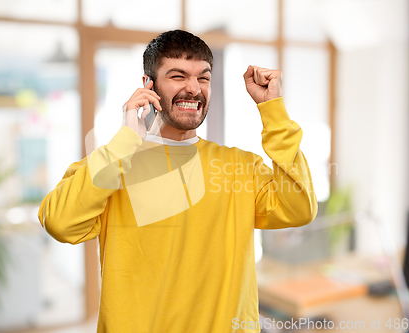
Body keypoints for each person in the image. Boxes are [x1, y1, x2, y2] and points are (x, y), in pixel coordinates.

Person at [38, 29, 318, 333]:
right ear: (149, 85)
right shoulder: (112, 165)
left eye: (203, 77)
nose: (193, 89)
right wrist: (126, 140)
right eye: (177, 76)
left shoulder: (240, 167)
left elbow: (300, 207)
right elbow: (60, 223)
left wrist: (273, 111)